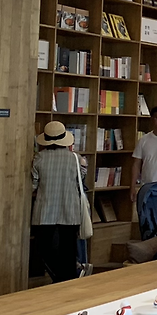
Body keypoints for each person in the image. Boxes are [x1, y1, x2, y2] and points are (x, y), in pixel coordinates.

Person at [30, 121, 91, 282]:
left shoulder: (39, 158)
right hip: (70, 210)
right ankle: (69, 278)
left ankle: (60, 278)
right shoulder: (75, 158)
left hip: (45, 211)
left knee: (43, 248)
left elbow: (33, 185)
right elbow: (80, 180)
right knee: (68, 250)